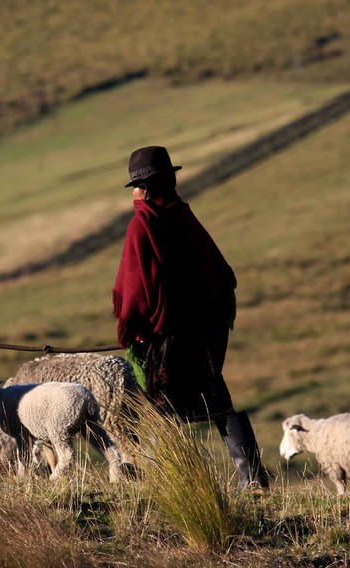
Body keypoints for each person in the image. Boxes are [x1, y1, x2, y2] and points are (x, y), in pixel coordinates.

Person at [112, 146, 269, 490]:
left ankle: (164, 483)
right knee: (218, 400)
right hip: (202, 334)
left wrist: (134, 328)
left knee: (161, 409)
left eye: (136, 187)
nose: (135, 194)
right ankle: (253, 477)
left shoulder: (141, 225)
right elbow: (218, 273)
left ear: (146, 189)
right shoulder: (183, 216)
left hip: (167, 340)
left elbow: (136, 289)